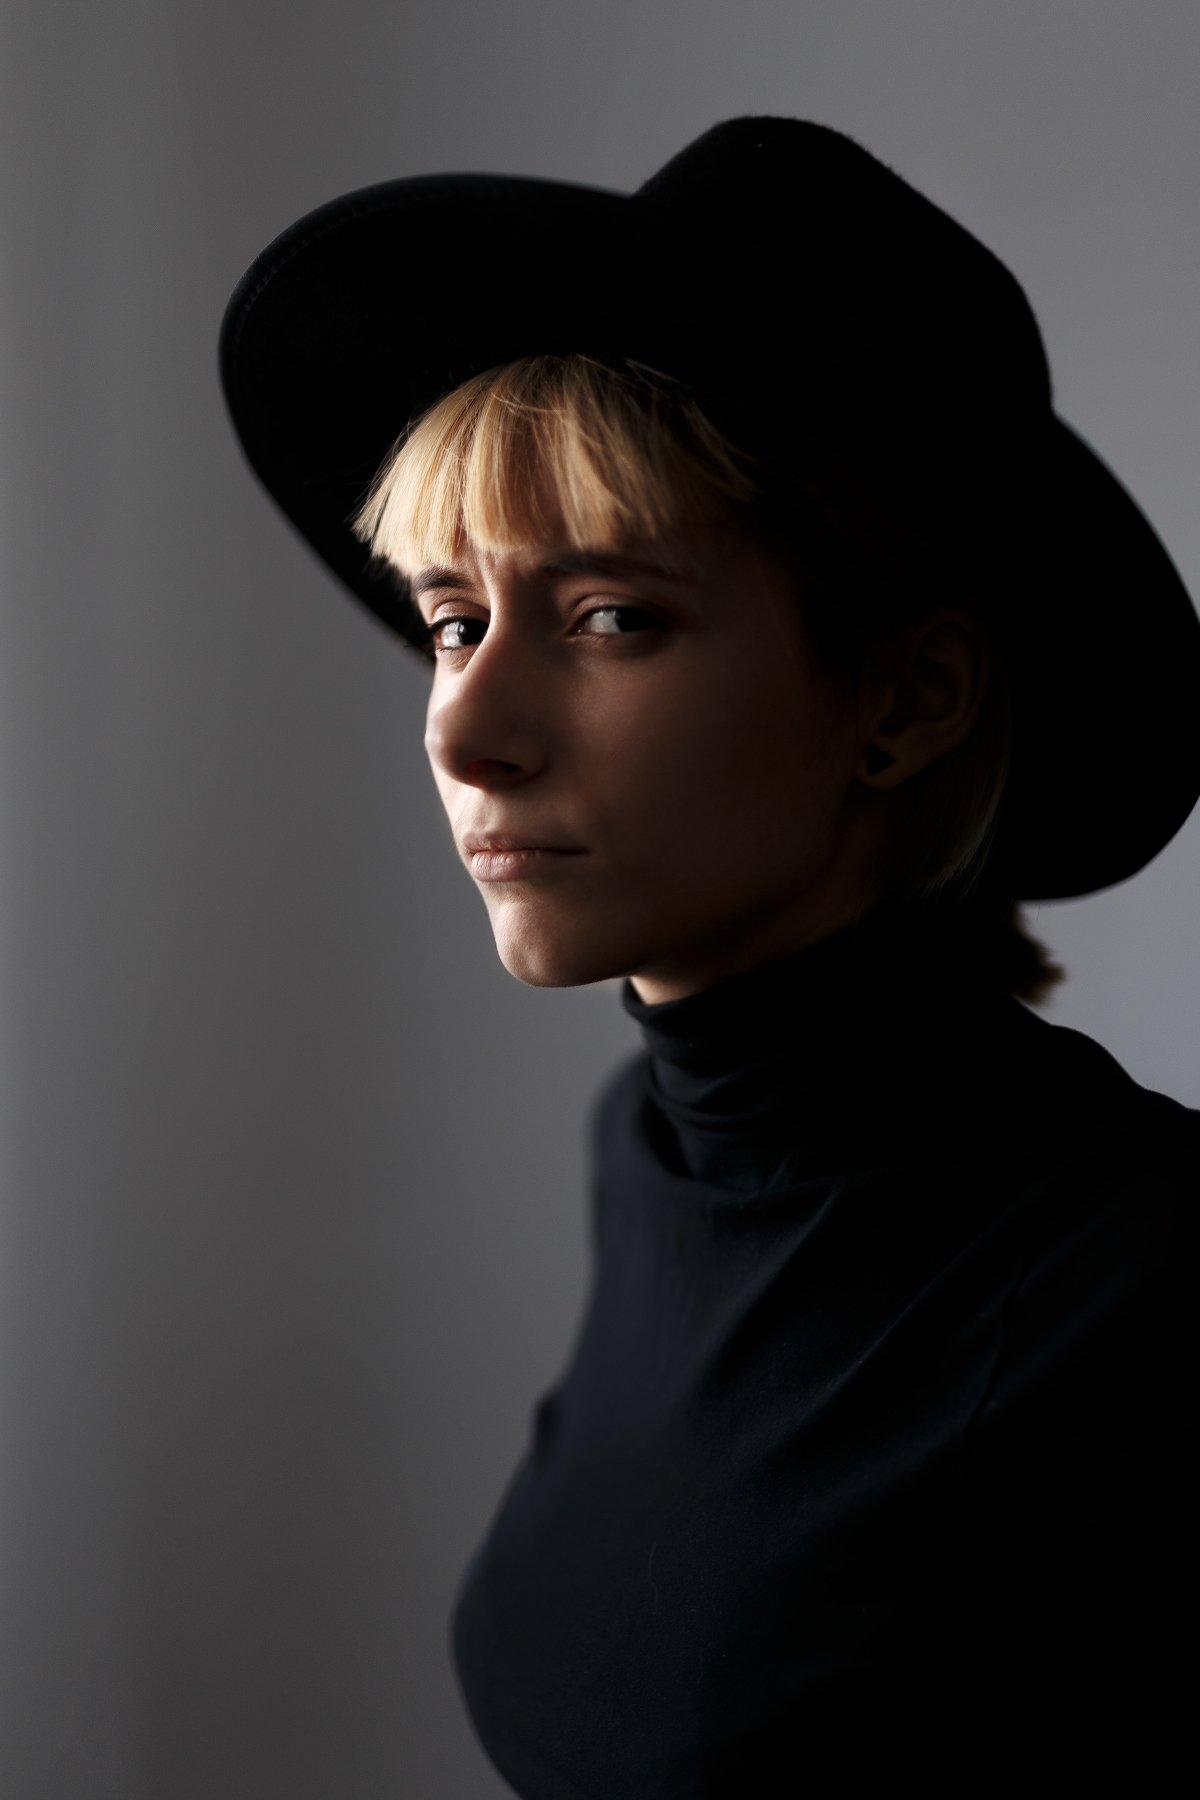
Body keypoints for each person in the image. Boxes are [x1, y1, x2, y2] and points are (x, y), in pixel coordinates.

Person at [220, 118, 1200, 1794]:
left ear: (905, 701)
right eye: (454, 621)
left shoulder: (1140, 1291)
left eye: (612, 617)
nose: (464, 728)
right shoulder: (649, 1150)